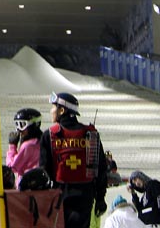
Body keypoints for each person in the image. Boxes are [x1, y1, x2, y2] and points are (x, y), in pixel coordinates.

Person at [39, 92, 108, 228]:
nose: (51, 111)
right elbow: (101, 168)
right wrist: (100, 198)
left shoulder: (50, 135)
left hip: (59, 196)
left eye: (54, 107)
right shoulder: (90, 134)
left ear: (62, 110)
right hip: (86, 195)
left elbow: (43, 172)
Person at [6, 108, 43, 187]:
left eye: (22, 125)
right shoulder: (42, 140)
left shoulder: (28, 146)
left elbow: (12, 167)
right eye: (17, 125)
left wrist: (12, 146)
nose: (19, 130)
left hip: (25, 184)